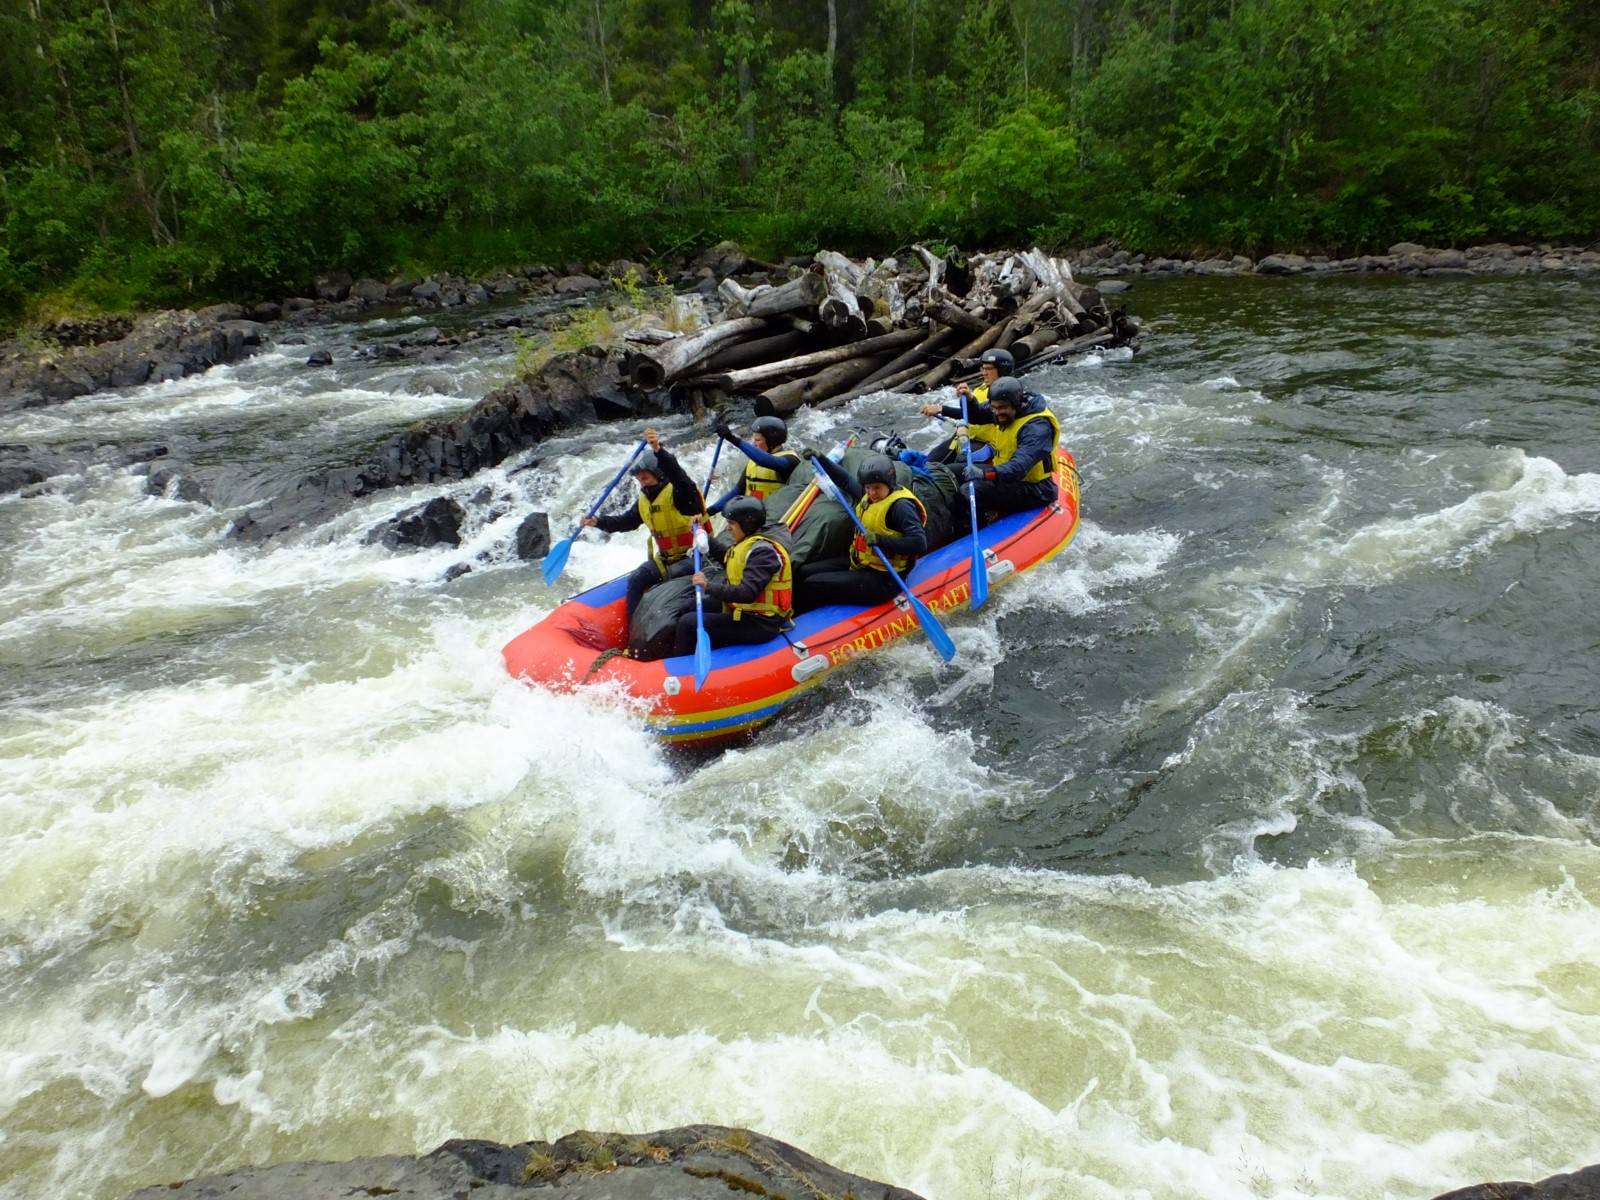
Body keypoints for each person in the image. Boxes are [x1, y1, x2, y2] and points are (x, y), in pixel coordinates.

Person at [581, 427, 707, 624]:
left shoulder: (680, 492)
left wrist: (658, 449)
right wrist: (598, 522)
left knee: (673, 580)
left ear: (659, 474)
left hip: (696, 558)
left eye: (646, 478)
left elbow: (678, 475)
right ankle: (633, 630)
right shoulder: (644, 499)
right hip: (666, 560)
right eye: (639, 480)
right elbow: (627, 522)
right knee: (636, 579)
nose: (642, 484)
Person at [793, 452, 927, 613]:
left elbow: (919, 543)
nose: (871, 493)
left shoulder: (900, 507)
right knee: (803, 572)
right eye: (868, 487)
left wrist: (879, 540)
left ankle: (799, 621)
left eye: (877, 487)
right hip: (860, 563)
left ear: (889, 483)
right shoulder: (870, 496)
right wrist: (821, 458)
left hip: (884, 579)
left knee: (813, 583)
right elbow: (845, 481)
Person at [673, 496, 793, 655]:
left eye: (732, 523)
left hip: (760, 623)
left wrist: (708, 586)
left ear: (747, 524)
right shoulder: (748, 543)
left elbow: (747, 593)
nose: (728, 528)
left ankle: (680, 668)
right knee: (687, 607)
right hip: (742, 610)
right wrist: (701, 533)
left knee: (688, 623)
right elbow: (728, 558)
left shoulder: (764, 553)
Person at [955, 376, 1060, 521]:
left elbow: (1018, 467)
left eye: (1002, 408)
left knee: (970, 490)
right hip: (1006, 477)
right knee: (953, 472)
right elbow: (977, 415)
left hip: (1035, 488)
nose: (997, 413)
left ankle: (981, 529)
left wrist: (985, 474)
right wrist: (969, 399)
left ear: (1016, 404)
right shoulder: (1001, 408)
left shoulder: (1036, 427)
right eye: (994, 408)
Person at [919, 347, 1014, 464]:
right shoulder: (981, 388)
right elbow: (968, 412)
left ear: (1002, 370)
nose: (984, 373)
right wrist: (967, 397)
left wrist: (940, 409)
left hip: (989, 444)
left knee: (960, 461)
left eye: (989, 369)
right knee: (929, 461)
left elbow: (977, 416)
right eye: (983, 369)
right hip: (967, 437)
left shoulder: (1007, 394)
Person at [708, 414, 803, 511]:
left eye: (757, 440)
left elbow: (764, 460)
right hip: (752, 518)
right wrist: (711, 511)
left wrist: (733, 439)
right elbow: (738, 490)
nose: (754, 443)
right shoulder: (753, 462)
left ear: (772, 441)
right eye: (753, 439)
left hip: (777, 519)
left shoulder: (790, 461)